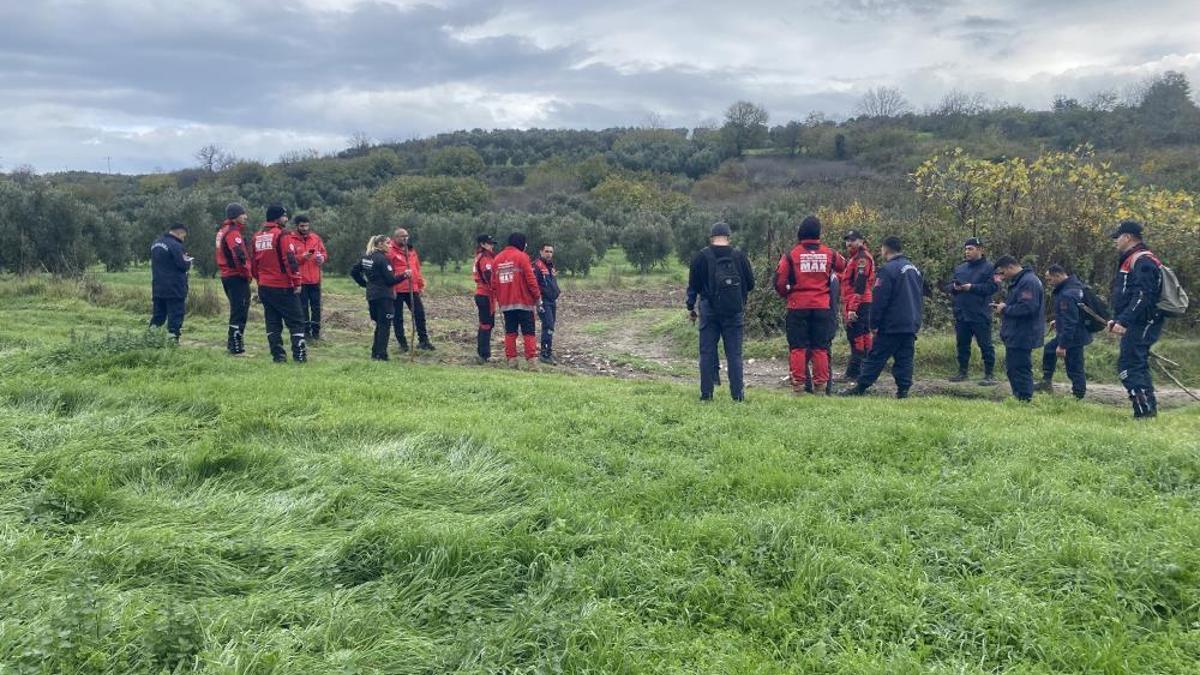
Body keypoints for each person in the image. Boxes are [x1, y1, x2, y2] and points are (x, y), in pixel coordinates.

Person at [839, 236, 923, 399]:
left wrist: (874, 323)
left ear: (885, 249)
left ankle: (861, 387)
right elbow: (919, 296)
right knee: (905, 357)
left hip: (891, 323)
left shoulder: (888, 270)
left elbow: (880, 298)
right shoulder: (914, 269)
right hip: (910, 322)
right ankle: (903, 390)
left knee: (876, 356)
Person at [774, 215, 846, 395]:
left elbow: (780, 282)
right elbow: (844, 266)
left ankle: (798, 387)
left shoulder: (791, 255)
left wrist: (787, 293)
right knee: (820, 348)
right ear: (818, 233)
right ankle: (820, 386)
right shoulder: (830, 253)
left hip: (797, 306)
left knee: (798, 348)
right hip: (822, 306)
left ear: (800, 232)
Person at [687, 222, 755, 402]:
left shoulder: (701, 257)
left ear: (711, 237)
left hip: (709, 310)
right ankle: (737, 396)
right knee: (734, 354)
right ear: (728, 237)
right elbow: (751, 284)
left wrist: (690, 307)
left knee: (707, 353)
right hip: (734, 312)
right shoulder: (739, 256)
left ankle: (706, 395)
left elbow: (693, 286)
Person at [1107, 220, 1167, 419]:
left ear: (1128, 237)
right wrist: (1117, 319)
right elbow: (1129, 294)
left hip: (1143, 322)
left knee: (1129, 366)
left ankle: (1143, 415)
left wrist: (1123, 320)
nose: (1116, 242)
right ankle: (1147, 412)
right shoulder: (1133, 259)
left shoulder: (1142, 260)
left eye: (1118, 237)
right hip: (1137, 321)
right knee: (1136, 364)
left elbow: (1143, 295)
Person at [251, 204, 308, 363]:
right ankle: (300, 356)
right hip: (282, 286)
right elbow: (289, 260)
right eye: (284, 216)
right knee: (297, 321)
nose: (287, 219)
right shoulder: (281, 234)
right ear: (277, 217)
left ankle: (278, 356)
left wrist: (259, 280)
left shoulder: (257, 236)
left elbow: (254, 264)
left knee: (272, 322)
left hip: (264, 286)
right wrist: (297, 281)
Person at [992, 255, 1045, 402]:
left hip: (1023, 332)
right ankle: (1018, 396)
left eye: (1002, 272)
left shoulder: (1028, 282)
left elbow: (1028, 307)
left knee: (1020, 367)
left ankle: (1024, 398)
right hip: (1017, 332)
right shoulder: (1021, 281)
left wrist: (1005, 309)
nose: (1002, 276)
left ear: (1010, 267)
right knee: (1013, 367)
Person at [946, 238, 998, 385]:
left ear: (980, 249)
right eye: (966, 249)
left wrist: (972, 287)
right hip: (962, 313)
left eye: (971, 249)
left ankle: (989, 374)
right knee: (962, 344)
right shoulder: (960, 268)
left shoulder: (990, 268)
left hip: (980, 313)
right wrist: (954, 288)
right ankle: (962, 372)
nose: (967, 252)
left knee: (985, 345)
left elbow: (992, 288)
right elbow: (949, 285)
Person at [1039, 265, 1091, 399]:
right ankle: (1046, 381)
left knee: (1074, 366)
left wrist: (1063, 346)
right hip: (1072, 332)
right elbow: (1072, 314)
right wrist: (1058, 321)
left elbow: (1071, 322)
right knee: (1049, 350)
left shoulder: (1067, 294)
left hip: (1073, 336)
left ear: (1058, 276)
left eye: (1049, 280)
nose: (1049, 283)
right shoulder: (1075, 287)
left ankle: (1078, 395)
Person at [491, 232, 541, 369]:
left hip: (506, 304)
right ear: (521, 243)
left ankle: (512, 361)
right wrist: (537, 297)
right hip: (524, 303)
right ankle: (532, 363)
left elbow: (493, 284)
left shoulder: (497, 259)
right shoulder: (522, 257)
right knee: (529, 332)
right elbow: (531, 280)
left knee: (510, 332)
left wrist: (499, 299)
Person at [350, 235, 404, 361]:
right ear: (379, 244)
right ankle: (382, 355)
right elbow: (390, 281)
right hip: (384, 296)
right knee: (384, 326)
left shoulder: (366, 257)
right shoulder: (382, 259)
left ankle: (375, 353)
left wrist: (365, 284)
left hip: (372, 296)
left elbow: (354, 272)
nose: (390, 246)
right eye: (388, 243)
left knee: (379, 325)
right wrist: (404, 276)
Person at [387, 228, 434, 352]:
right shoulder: (390, 251)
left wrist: (420, 285)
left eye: (407, 236)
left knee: (419, 313)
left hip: (412, 288)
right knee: (398, 317)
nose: (405, 238)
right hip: (397, 288)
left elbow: (416, 268)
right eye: (402, 236)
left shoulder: (411, 250)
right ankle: (402, 344)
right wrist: (391, 288)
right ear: (396, 237)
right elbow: (388, 271)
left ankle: (423, 341)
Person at [838, 229, 875, 381]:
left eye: (852, 240)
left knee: (856, 336)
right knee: (864, 335)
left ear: (861, 241)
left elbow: (859, 285)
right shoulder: (855, 258)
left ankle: (854, 372)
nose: (848, 243)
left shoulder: (861, 259)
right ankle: (865, 370)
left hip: (858, 302)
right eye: (847, 240)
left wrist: (852, 308)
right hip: (861, 301)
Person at [216, 203, 252, 355]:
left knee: (236, 310)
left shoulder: (222, 231)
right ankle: (236, 347)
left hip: (226, 275)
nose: (246, 217)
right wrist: (246, 273)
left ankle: (233, 344)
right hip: (236, 276)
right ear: (236, 215)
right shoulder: (233, 233)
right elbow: (239, 256)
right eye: (243, 214)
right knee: (240, 311)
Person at [149, 223, 192, 340]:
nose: (183, 239)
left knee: (158, 316)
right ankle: (172, 340)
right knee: (175, 316)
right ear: (180, 232)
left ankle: (151, 338)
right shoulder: (176, 245)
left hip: (158, 286)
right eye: (184, 236)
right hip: (174, 287)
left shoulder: (156, 244)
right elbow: (183, 265)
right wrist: (188, 261)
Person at [293, 215, 327, 341]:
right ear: (296, 226)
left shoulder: (316, 238)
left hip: (315, 279)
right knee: (303, 307)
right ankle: (306, 333)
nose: (305, 228)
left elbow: (324, 253)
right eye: (302, 226)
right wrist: (302, 257)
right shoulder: (291, 239)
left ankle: (316, 333)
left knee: (316, 307)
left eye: (307, 225)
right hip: (300, 280)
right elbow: (289, 260)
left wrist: (321, 258)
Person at [534, 243, 561, 365]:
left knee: (550, 327)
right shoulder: (537, 266)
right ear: (541, 252)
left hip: (552, 301)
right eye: (546, 251)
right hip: (543, 301)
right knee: (548, 325)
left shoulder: (551, 266)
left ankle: (547, 351)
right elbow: (534, 285)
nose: (549, 254)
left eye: (551, 252)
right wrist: (538, 301)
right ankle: (544, 354)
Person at [473, 234, 498, 363]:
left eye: (492, 243)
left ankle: (484, 353)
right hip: (485, 295)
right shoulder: (484, 258)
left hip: (487, 295)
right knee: (486, 324)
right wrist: (498, 289)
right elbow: (489, 277)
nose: (492, 246)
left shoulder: (484, 256)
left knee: (487, 324)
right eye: (489, 243)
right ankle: (484, 354)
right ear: (482, 244)